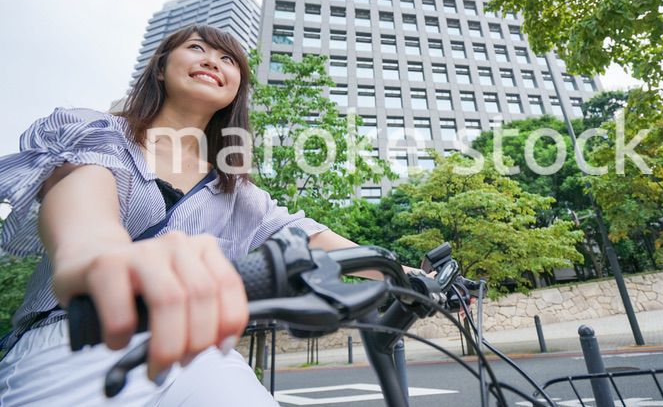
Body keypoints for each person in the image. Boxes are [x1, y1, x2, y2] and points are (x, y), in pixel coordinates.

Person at [0, 25, 404, 406]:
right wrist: (99, 255)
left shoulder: (237, 190)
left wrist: (410, 276)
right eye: (197, 48)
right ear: (160, 68)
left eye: (228, 59)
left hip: (196, 350)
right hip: (71, 338)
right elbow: (84, 207)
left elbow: (312, 238)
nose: (213, 60)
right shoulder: (99, 130)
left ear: (237, 89)